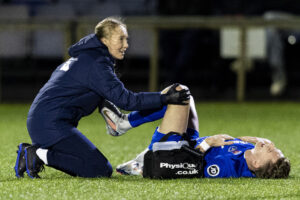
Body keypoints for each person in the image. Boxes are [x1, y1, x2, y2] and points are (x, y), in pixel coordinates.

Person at [14, 17, 190, 179]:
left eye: (126, 39)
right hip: (51, 125)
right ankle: (36, 154)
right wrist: (164, 98)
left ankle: (40, 152)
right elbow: (127, 100)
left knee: (91, 163)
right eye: (120, 39)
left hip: (46, 121)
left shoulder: (87, 58)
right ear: (104, 40)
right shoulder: (96, 64)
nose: (126, 44)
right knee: (99, 169)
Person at [100, 85, 290, 178]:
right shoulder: (251, 154)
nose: (271, 146)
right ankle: (140, 157)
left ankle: (124, 126)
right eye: (275, 147)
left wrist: (208, 143)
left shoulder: (226, 167)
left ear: (256, 164)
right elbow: (240, 141)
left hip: (175, 153)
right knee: (186, 96)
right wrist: (258, 142)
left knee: (179, 94)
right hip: (189, 142)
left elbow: (190, 166)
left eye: (271, 151)